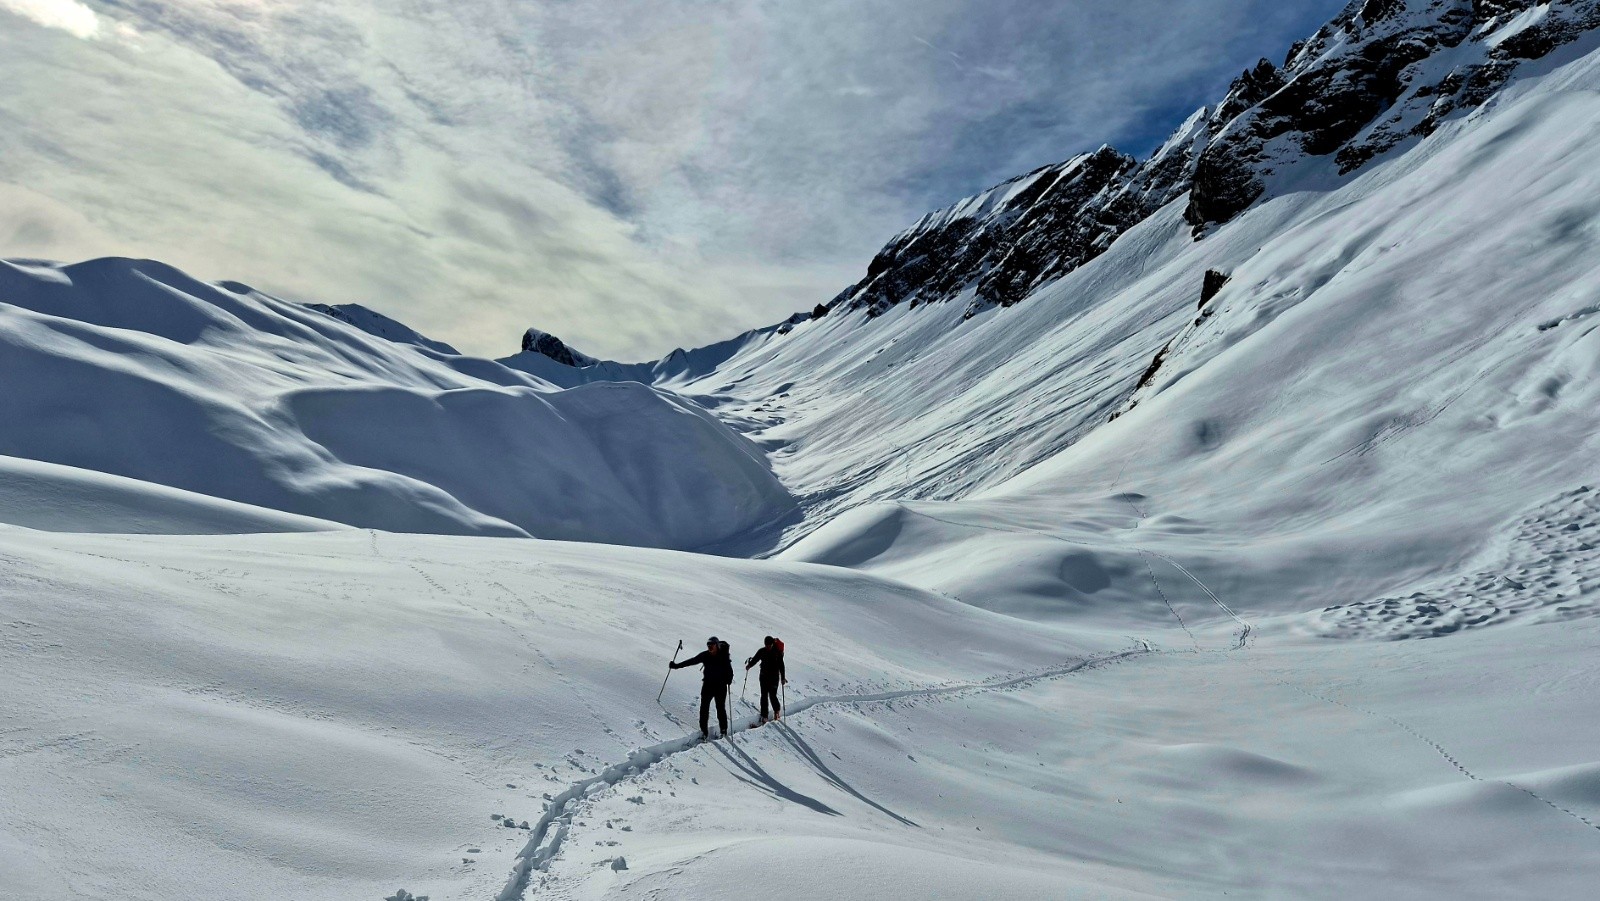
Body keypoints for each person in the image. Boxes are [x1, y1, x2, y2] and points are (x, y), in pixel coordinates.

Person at [670, 636, 733, 739]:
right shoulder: (705, 655)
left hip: (720, 687)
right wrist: (676, 666)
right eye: (708, 645)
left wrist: (729, 680)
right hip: (707, 685)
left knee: (720, 708)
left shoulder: (723, 656)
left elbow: (729, 671)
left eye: (712, 645)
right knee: (704, 708)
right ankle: (704, 732)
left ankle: (723, 730)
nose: (710, 647)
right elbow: (692, 661)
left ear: (716, 645)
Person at [745, 635, 786, 725]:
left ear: (772, 644)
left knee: (772, 695)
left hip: (774, 677)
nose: (767, 647)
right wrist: (749, 666)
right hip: (763, 676)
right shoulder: (762, 651)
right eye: (766, 645)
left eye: (769, 645)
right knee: (764, 696)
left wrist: (783, 678)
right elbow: (755, 659)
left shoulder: (777, 653)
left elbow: (781, 666)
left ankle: (776, 711)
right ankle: (764, 716)